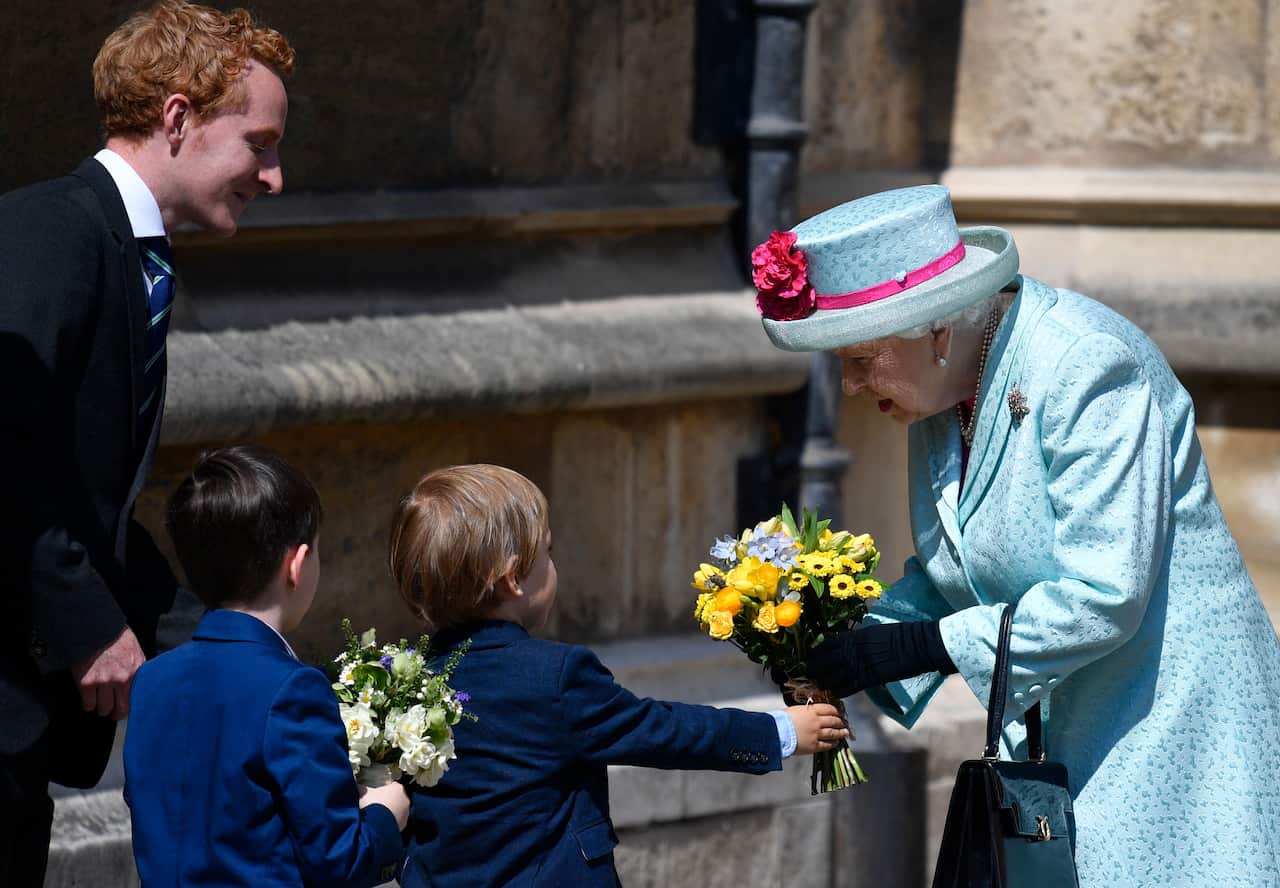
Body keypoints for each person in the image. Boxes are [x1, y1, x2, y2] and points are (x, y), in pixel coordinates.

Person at [751, 184, 1280, 885]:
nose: (849, 386)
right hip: (1068, 724)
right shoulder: (941, 388)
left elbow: (1104, 594)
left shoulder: (1086, 364)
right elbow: (961, 572)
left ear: (935, 330)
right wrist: (842, 642)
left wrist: (916, 647)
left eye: (859, 359)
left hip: (1173, 720)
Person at [0, 3, 294, 883]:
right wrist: (86, 623)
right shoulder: (52, 232)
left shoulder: (122, 249)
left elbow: (89, 501)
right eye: (262, 143)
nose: (274, 177)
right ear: (177, 118)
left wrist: (233, 648)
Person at [386, 464, 848, 886]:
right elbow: (662, 730)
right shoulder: (555, 676)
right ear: (513, 579)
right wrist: (781, 732)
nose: (553, 565)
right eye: (547, 552)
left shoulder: (405, 681)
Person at [124, 445, 410, 885]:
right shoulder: (293, 689)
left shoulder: (152, 679)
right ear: (296, 565)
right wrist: (385, 815)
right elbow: (338, 860)